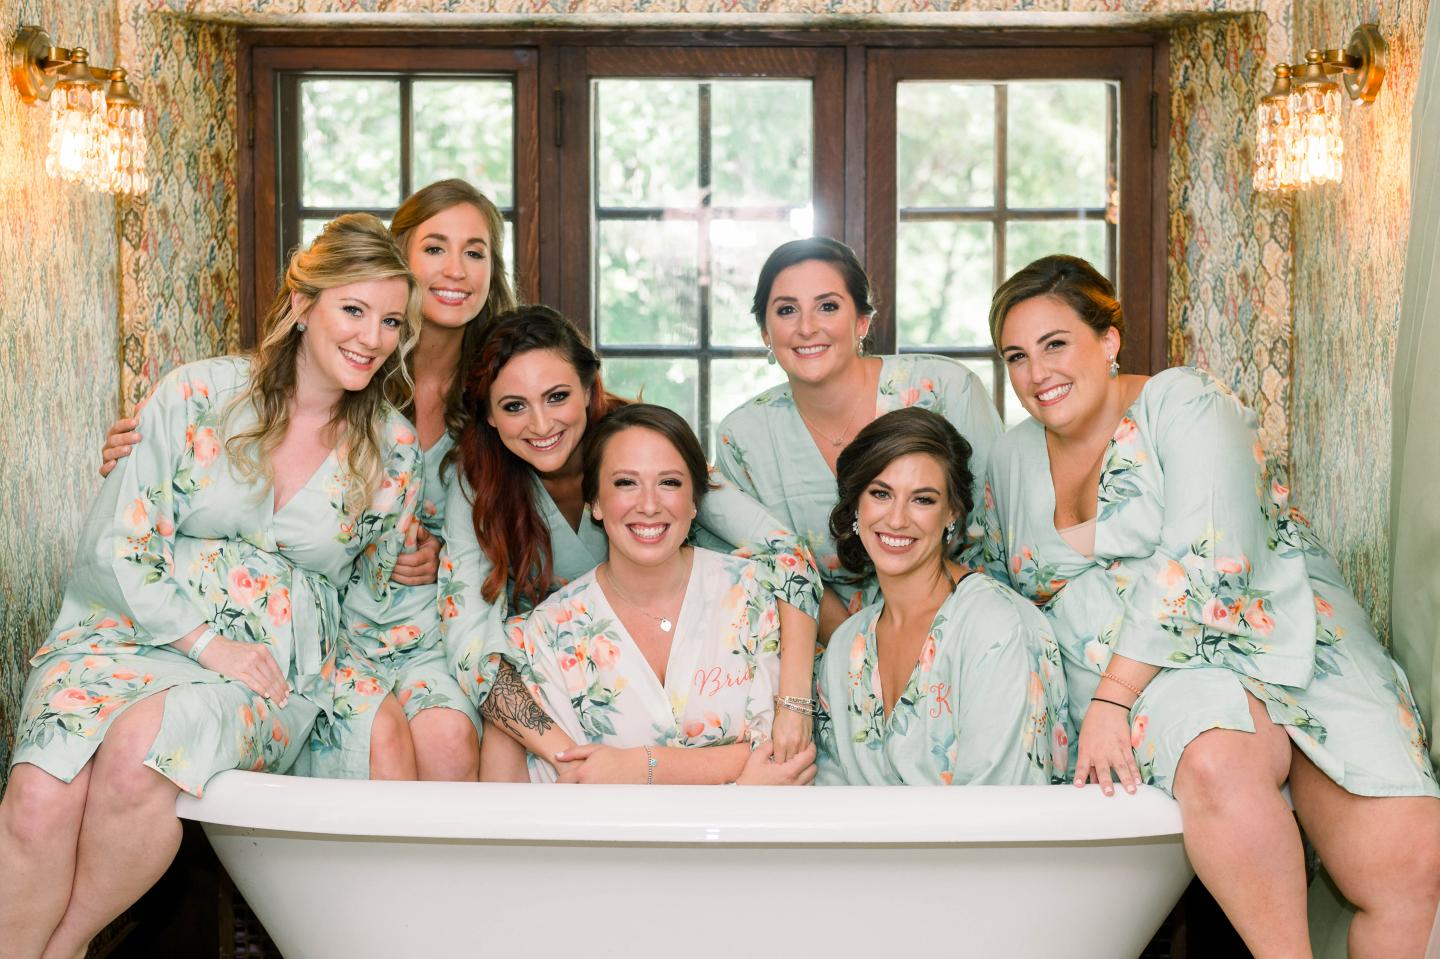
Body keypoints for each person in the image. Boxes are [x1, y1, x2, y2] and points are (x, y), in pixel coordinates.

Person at [978, 254, 1440, 956]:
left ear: (1108, 340)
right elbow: (993, 587)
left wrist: (1110, 701)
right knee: (1217, 759)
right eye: (1016, 355)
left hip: (1280, 620)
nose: (1036, 372)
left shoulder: (1183, 399)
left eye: (1055, 344)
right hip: (1153, 673)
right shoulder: (1010, 460)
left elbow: (1210, 559)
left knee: (1408, 862)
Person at [0, 214, 425, 957]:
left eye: (390, 320)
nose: (372, 337)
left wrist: (372, 688)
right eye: (353, 310)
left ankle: (64, 948)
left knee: (145, 746)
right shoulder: (197, 393)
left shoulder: (391, 446)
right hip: (124, 634)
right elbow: (119, 539)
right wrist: (204, 641)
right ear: (302, 303)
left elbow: (376, 598)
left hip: (268, 672)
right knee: (38, 794)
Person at [100, 179, 518, 781]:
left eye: (475, 251)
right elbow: (229, 454)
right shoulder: (338, 363)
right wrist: (136, 453)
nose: (455, 269)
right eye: (435, 248)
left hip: (422, 619)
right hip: (326, 615)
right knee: (378, 735)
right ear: (397, 259)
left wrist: (434, 549)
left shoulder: (504, 384)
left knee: (449, 742)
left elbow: (573, 436)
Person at [438, 305, 823, 778]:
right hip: (565, 683)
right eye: (514, 406)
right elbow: (472, 646)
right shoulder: (475, 480)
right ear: (491, 416)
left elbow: (786, 553)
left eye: (556, 397)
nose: (540, 424)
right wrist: (575, 760)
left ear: (587, 388)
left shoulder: (641, 444)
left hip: (699, 651)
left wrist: (795, 705)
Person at [715, 237, 1004, 658]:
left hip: (962, 630)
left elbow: (995, 533)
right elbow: (765, 567)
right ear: (765, 331)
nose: (806, 327)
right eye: (786, 310)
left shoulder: (946, 390)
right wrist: (857, 646)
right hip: (825, 644)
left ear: (862, 323)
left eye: (828, 306)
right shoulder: (742, 437)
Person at [511, 403, 814, 785]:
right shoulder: (550, 633)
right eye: (626, 483)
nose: (649, 505)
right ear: (596, 502)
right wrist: (738, 784)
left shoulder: (758, 594)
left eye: (669, 482)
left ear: (693, 502)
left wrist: (642, 765)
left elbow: (781, 757)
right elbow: (576, 788)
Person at [815, 407, 1070, 786]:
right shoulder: (845, 647)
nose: (897, 519)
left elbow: (1002, 812)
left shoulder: (994, 627)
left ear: (952, 512)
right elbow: (831, 801)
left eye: (923, 500)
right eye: (881, 493)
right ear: (856, 505)